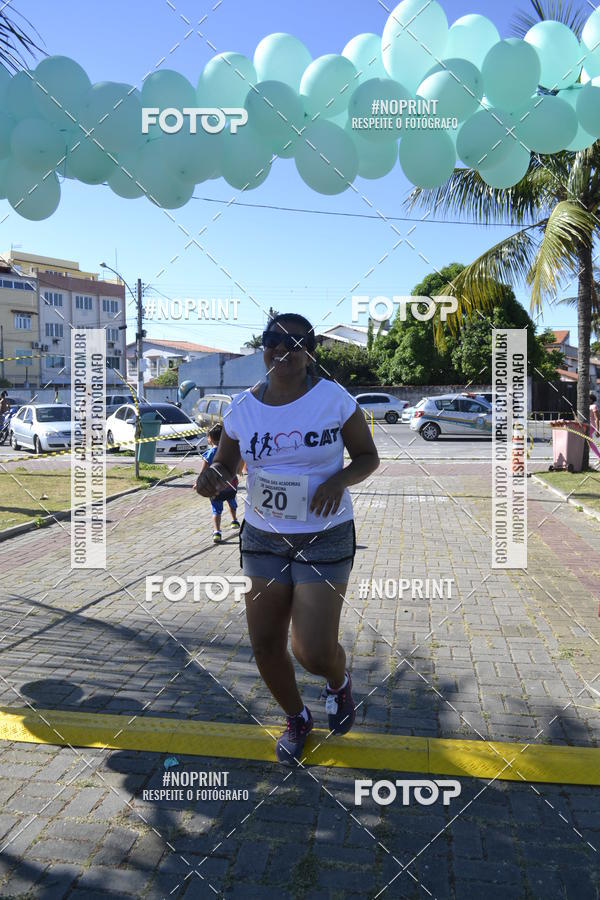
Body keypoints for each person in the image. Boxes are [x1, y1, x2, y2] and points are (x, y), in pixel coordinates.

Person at [195, 313, 380, 765]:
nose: (283, 348)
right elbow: (226, 463)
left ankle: (337, 681)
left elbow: (368, 456)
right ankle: (296, 717)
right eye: (273, 339)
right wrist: (211, 478)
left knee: (312, 651)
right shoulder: (242, 407)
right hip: (262, 537)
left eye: (295, 342)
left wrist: (337, 481)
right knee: (265, 643)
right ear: (263, 347)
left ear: (309, 350)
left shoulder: (333, 399)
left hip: (325, 534)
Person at [197, 423, 240, 543]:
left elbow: (204, 470)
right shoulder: (229, 451)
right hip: (231, 485)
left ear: (210, 438)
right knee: (232, 502)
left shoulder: (210, 453)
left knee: (216, 510)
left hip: (215, 487)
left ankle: (217, 532)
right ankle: (235, 520)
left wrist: (199, 482)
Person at [590, 393, 600, 463]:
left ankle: (599, 456)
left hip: (591, 426)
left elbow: (597, 418)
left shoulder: (594, 406)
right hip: (585, 425)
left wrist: (597, 429)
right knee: (589, 442)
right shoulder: (585, 406)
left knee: (590, 442)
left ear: (591, 399)